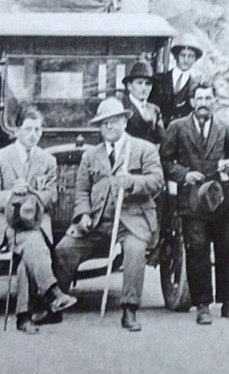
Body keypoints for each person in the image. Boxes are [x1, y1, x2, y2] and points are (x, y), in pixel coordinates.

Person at [53, 98, 164, 332]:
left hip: (132, 221)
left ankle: (129, 310)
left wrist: (132, 181)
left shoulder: (144, 149)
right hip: (97, 222)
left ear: (124, 121)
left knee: (134, 250)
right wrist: (82, 215)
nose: (109, 127)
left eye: (114, 121)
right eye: (104, 123)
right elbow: (81, 190)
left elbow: (157, 181)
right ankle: (56, 302)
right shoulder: (90, 156)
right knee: (64, 248)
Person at [0, 105, 77, 334]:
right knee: (32, 244)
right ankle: (53, 294)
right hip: (7, 223)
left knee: (29, 252)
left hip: (35, 222)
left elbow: (51, 195)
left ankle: (24, 317)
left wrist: (31, 197)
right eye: (28, 129)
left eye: (37, 129)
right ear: (16, 131)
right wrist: (13, 195)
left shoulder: (47, 160)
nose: (33, 134)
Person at [160, 84, 229, 325]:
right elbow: (165, 161)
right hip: (193, 200)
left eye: (208, 98)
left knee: (227, 248)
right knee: (197, 250)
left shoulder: (224, 128)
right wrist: (184, 174)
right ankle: (203, 305)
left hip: (222, 198)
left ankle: (228, 302)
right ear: (192, 101)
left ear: (214, 100)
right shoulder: (177, 127)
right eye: (199, 98)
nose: (204, 102)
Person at [148, 33, 203, 124]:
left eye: (190, 56)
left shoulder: (196, 86)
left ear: (195, 60)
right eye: (183, 55)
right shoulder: (159, 79)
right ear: (176, 56)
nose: (186, 60)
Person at [120, 61, 165, 144]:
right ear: (129, 86)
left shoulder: (155, 109)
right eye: (139, 83)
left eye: (148, 84)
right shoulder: (121, 106)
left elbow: (161, 139)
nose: (144, 88)